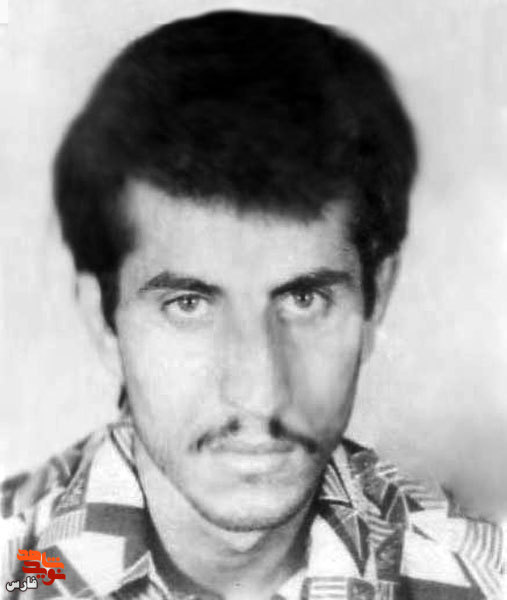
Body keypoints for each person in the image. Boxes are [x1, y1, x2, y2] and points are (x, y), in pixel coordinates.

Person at [1, 10, 504, 600]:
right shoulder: (21, 571)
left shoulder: (480, 581)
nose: (259, 393)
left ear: (375, 302)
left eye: (305, 298)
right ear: (103, 322)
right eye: (189, 304)